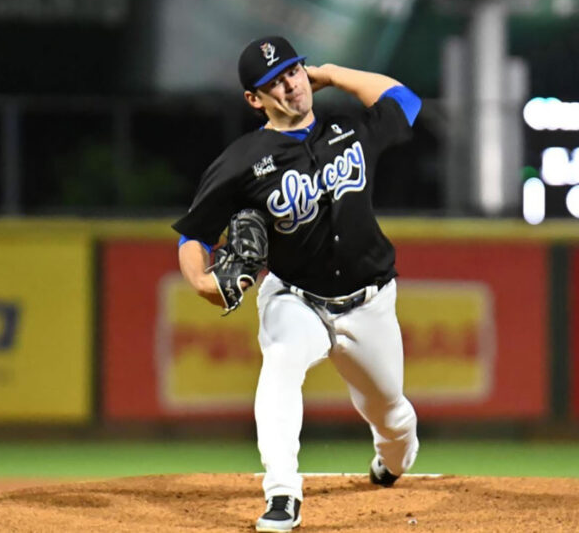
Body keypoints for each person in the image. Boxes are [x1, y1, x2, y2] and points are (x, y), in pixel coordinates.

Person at [172, 36, 421, 532]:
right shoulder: (243, 160)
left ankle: (390, 461)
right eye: (274, 82)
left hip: (367, 302)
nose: (289, 85)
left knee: (392, 415)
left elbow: (405, 102)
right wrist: (200, 280)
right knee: (282, 361)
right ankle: (282, 493)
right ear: (254, 99)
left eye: (293, 72)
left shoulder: (348, 131)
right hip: (294, 296)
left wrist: (330, 73)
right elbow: (194, 234)